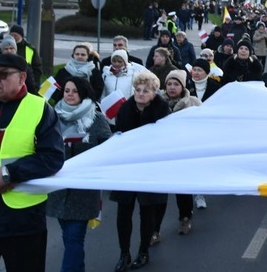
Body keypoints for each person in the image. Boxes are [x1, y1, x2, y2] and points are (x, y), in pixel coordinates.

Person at [0, 53, 64, 272]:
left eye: (3, 74)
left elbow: (52, 156)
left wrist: (9, 174)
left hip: (23, 221)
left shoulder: (40, 109)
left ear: (21, 78)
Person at [47, 77, 112, 272]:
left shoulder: (96, 118)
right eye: (67, 90)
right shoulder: (52, 117)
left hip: (83, 192)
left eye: (74, 91)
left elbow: (108, 149)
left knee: (75, 237)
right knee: (69, 239)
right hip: (58, 190)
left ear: (83, 93)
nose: (69, 94)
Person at [110, 71, 170, 272]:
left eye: (146, 90)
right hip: (126, 168)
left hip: (150, 169)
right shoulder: (125, 109)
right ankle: (123, 253)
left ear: (154, 93)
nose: (141, 93)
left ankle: (143, 251)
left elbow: (165, 140)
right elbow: (118, 134)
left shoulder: (162, 110)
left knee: (147, 212)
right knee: (123, 212)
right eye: (138, 90)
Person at [153, 70, 202, 242]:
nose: (172, 88)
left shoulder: (193, 103)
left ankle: (185, 218)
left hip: (184, 153)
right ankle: (154, 229)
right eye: (169, 84)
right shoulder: (156, 102)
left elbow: (203, 127)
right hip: (162, 154)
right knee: (159, 194)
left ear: (183, 86)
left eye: (176, 84)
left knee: (182, 190)